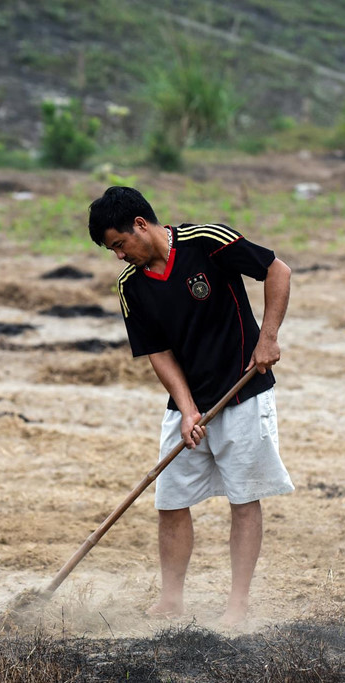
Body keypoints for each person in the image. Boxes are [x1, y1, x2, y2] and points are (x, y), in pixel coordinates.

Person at [87, 186, 294, 626]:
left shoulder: (206, 241)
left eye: (120, 245)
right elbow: (158, 351)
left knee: (244, 496)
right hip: (189, 402)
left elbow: (278, 270)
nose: (120, 257)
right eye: (113, 251)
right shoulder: (130, 286)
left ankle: (237, 605)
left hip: (243, 390)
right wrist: (186, 409)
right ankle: (171, 599)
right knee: (172, 499)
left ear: (140, 225)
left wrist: (268, 337)